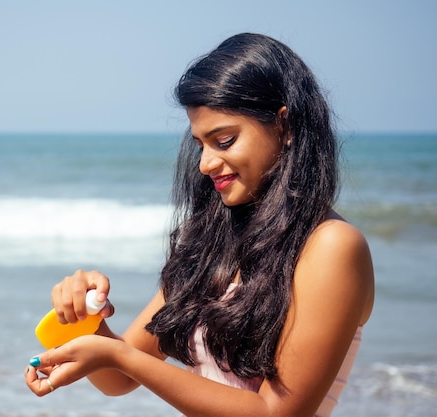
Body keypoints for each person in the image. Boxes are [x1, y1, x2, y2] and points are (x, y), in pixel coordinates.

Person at [25, 32, 374, 417]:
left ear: (284, 126)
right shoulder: (214, 243)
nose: (206, 164)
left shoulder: (331, 246)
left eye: (224, 140)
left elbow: (275, 413)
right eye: (200, 145)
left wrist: (120, 356)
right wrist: (83, 319)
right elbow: (118, 380)